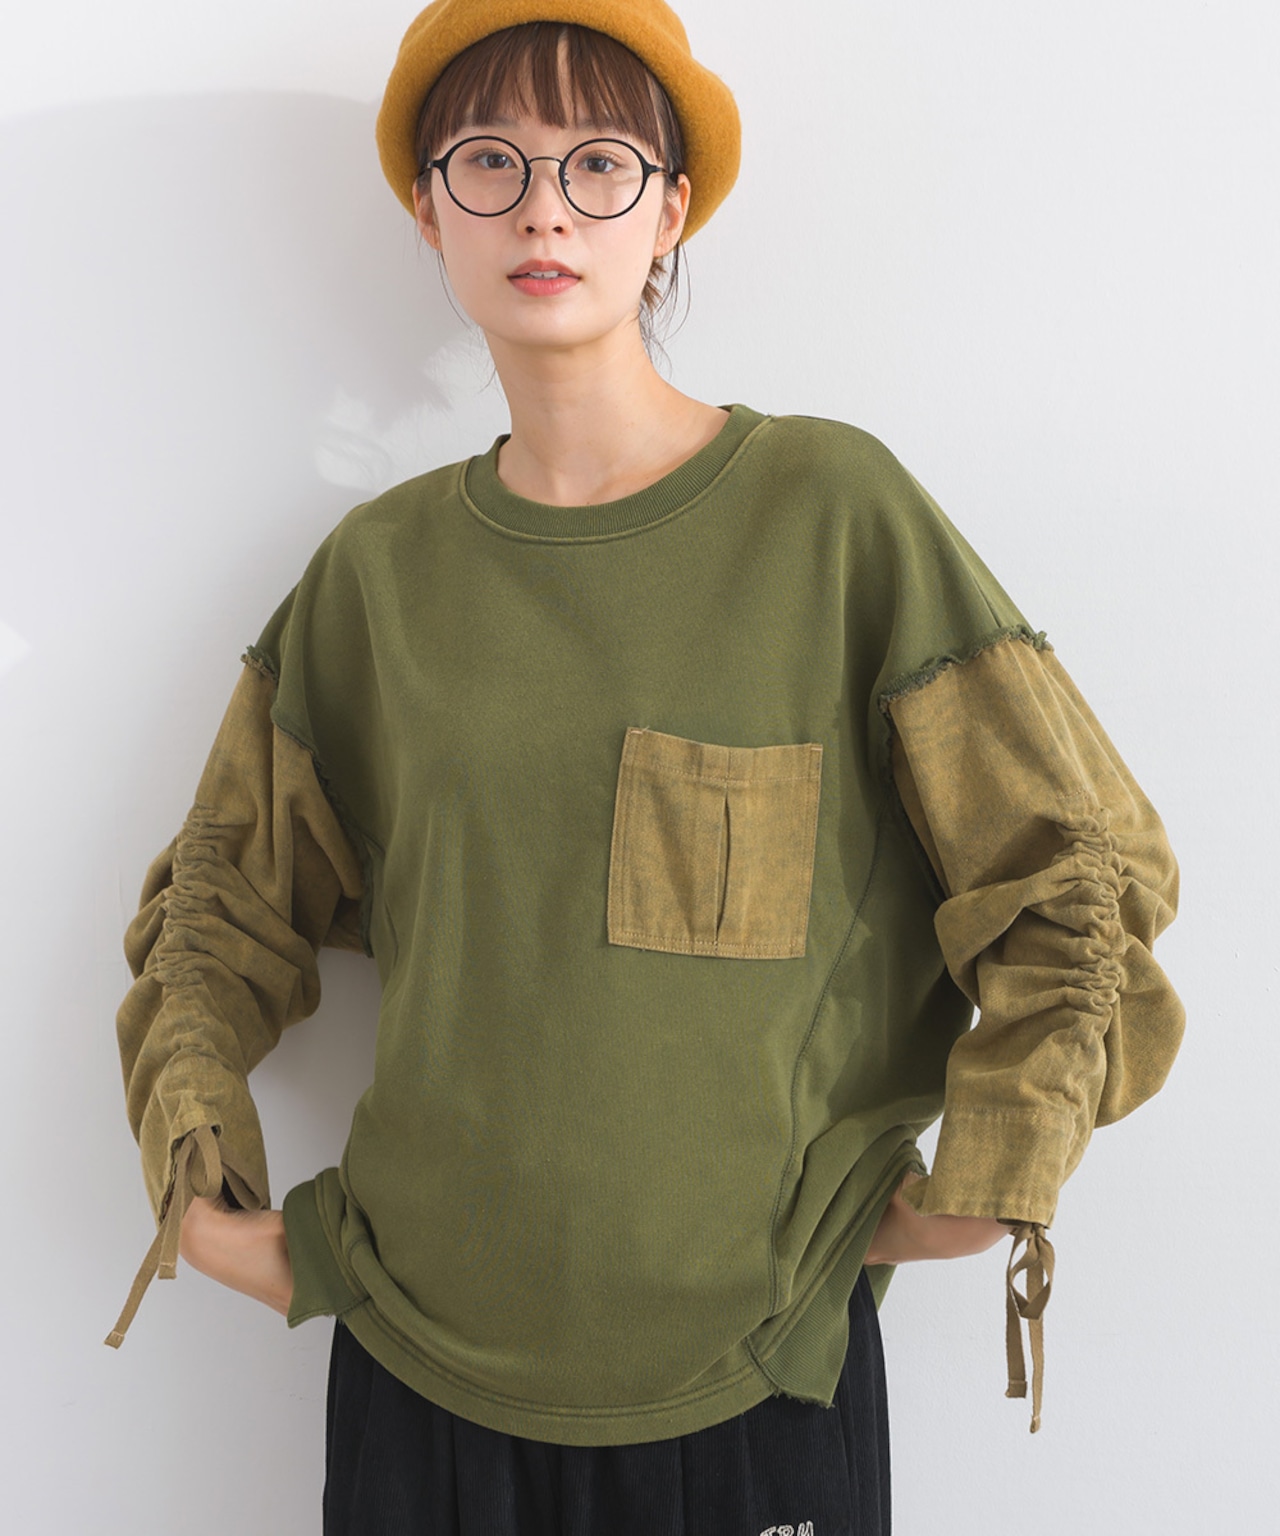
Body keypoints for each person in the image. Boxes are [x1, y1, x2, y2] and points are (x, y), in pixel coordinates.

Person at [105, 2, 1185, 1532]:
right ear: (427, 208)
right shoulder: (375, 577)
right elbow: (222, 907)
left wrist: (992, 1173)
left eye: (599, 163)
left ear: (671, 209)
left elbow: (1071, 869)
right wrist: (204, 1178)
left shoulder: (834, 516)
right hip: (417, 1375)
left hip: (756, 1384)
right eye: (490, 161)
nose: (544, 209)